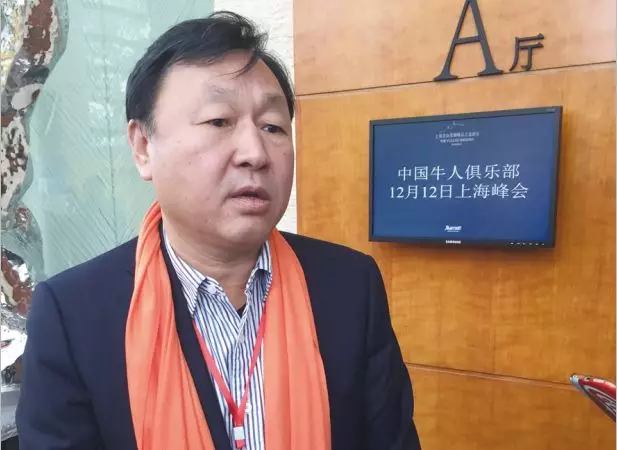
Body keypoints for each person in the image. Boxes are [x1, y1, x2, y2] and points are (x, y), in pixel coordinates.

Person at [16, 11, 421, 450]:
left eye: (272, 126)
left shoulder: (350, 287)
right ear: (143, 146)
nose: (255, 153)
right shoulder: (73, 315)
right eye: (219, 121)